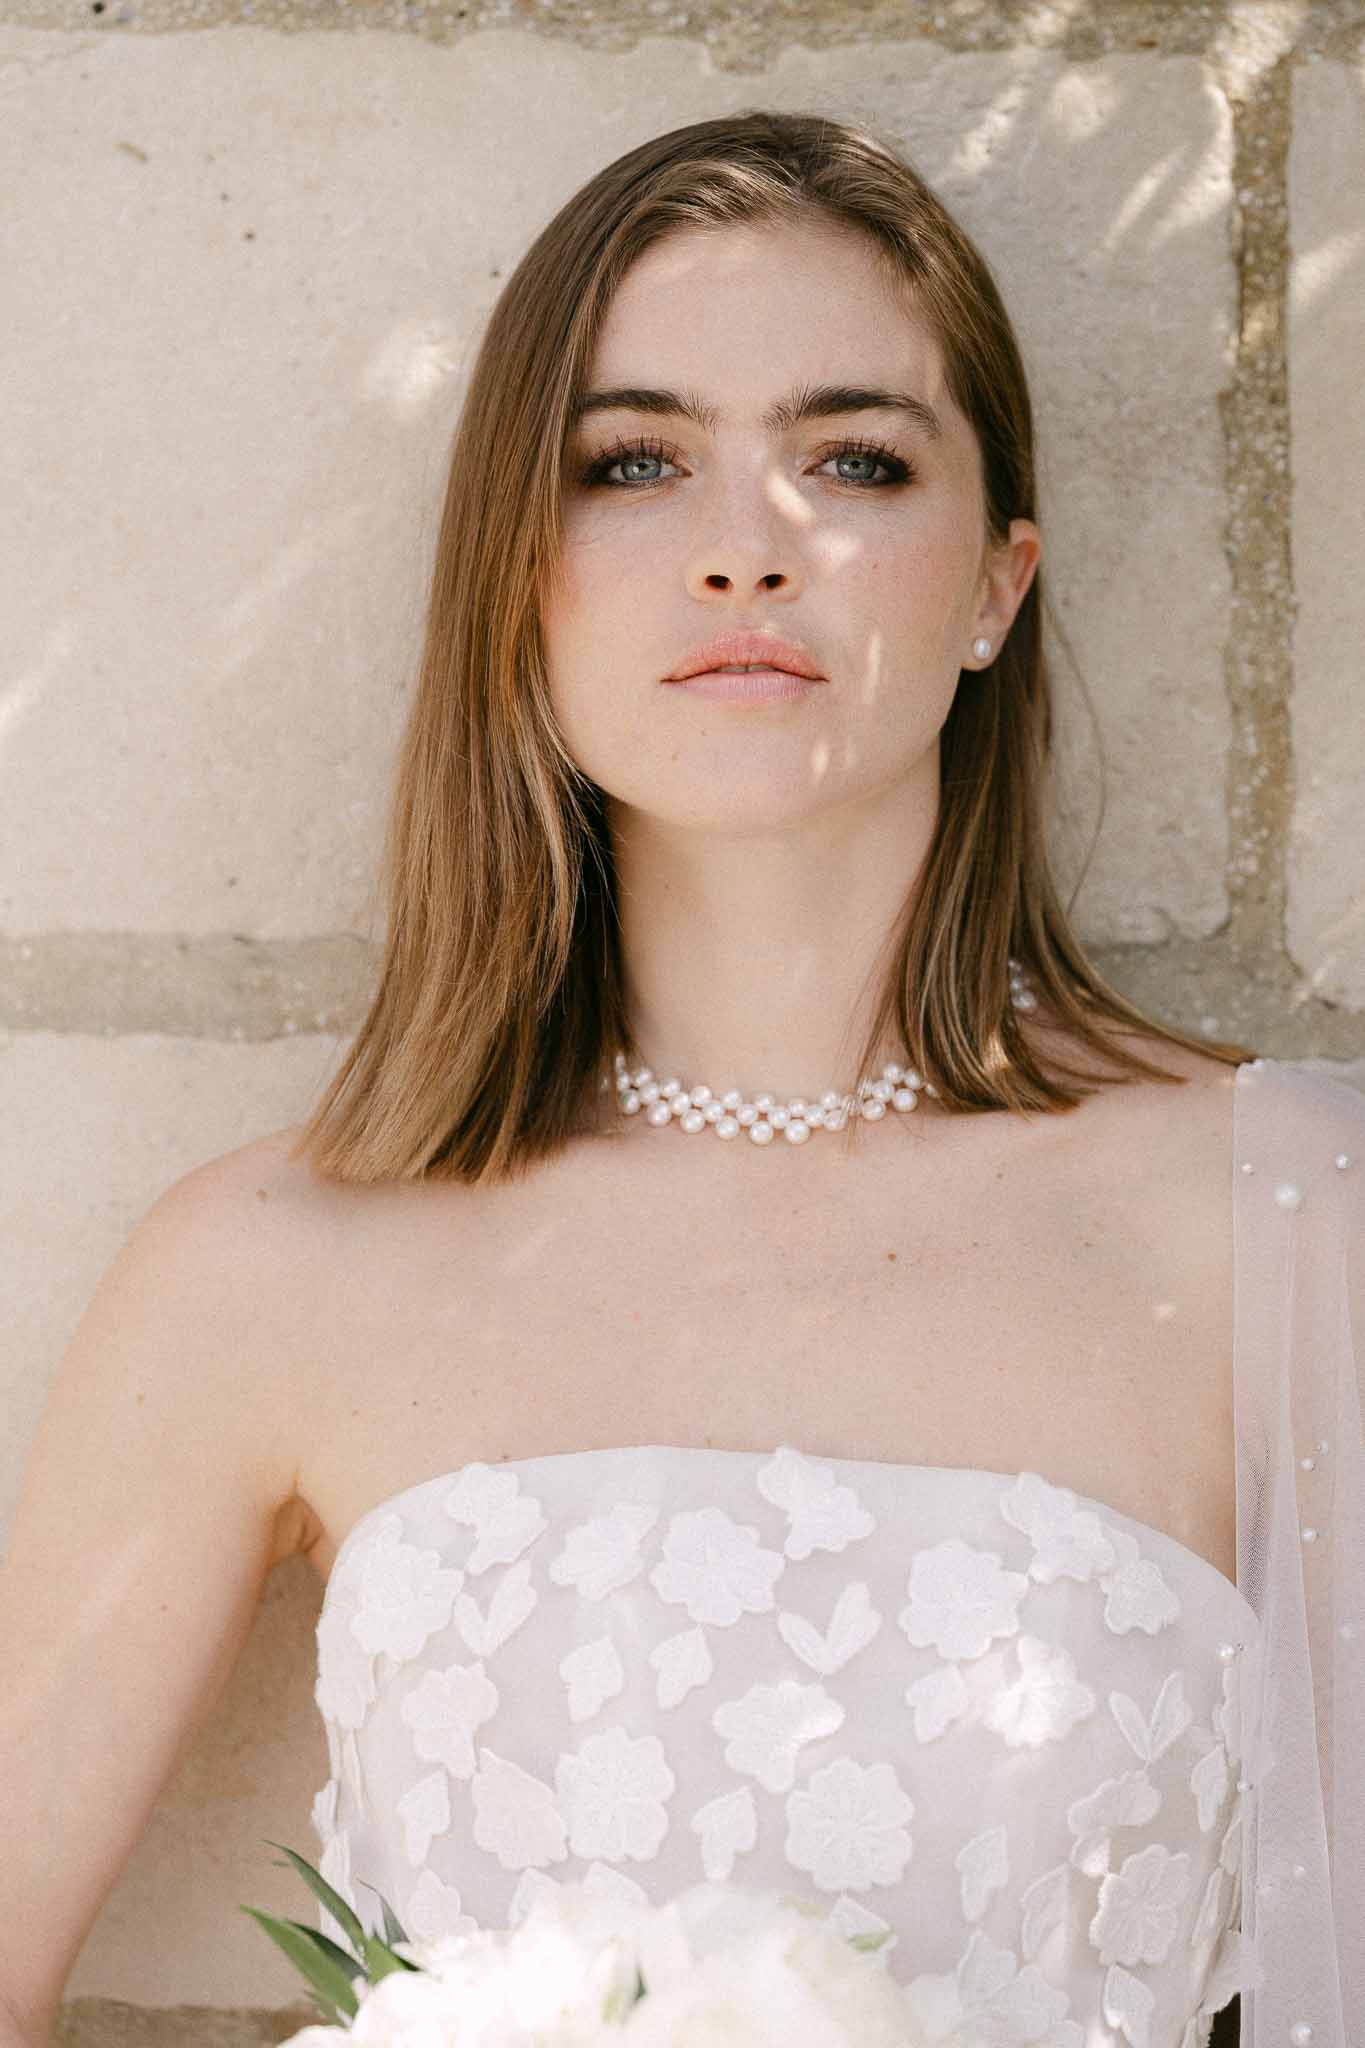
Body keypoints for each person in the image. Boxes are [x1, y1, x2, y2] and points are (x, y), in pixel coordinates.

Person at [2, 110, 1359, 2048]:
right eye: (633, 462)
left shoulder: (1283, 1213)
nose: (744, 548)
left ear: (992, 584)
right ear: (515, 579)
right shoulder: (267, 1260)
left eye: (852, 459)